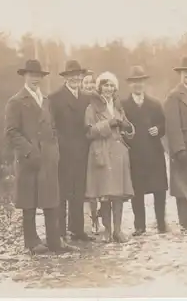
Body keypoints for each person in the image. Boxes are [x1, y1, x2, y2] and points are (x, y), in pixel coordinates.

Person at [4, 59, 69, 254]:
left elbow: (53, 127)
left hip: (48, 158)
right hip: (28, 159)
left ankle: (54, 241)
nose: (35, 79)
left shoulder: (46, 100)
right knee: (29, 202)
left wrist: (54, 148)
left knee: (50, 200)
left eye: (38, 76)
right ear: (25, 76)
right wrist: (30, 151)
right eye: (31, 75)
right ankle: (32, 242)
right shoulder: (15, 101)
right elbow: (11, 132)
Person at [85, 71, 135, 243]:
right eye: (105, 85)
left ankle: (118, 231)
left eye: (111, 85)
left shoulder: (118, 106)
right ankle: (107, 230)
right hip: (103, 151)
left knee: (118, 194)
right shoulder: (92, 108)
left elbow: (126, 128)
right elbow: (89, 132)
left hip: (119, 152)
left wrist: (128, 128)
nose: (108, 88)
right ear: (100, 87)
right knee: (105, 194)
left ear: (115, 88)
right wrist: (108, 124)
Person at [49, 60, 95, 243]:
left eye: (79, 75)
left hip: (82, 151)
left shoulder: (86, 98)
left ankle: (77, 230)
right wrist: (58, 147)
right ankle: (60, 232)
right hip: (63, 152)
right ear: (66, 77)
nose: (76, 78)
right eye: (72, 75)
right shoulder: (55, 98)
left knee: (78, 191)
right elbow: (51, 126)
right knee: (62, 192)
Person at [122, 65, 168, 236]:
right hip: (135, 154)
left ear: (144, 83)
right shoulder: (124, 105)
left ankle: (161, 223)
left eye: (140, 81)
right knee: (137, 192)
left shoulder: (155, 104)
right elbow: (121, 128)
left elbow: (164, 125)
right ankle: (139, 226)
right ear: (130, 85)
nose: (137, 85)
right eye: (134, 82)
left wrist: (158, 129)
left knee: (159, 189)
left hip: (154, 153)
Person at [164, 56, 187, 235]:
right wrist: (179, 149)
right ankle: (184, 224)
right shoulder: (174, 95)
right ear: (180, 74)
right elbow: (172, 125)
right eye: (186, 72)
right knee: (182, 186)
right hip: (184, 145)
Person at [80, 70, 101, 235]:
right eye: (86, 83)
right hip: (81, 147)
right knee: (88, 188)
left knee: (99, 186)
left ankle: (100, 219)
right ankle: (90, 219)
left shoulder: (100, 101)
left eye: (92, 83)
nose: (89, 86)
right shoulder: (78, 101)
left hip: (98, 145)